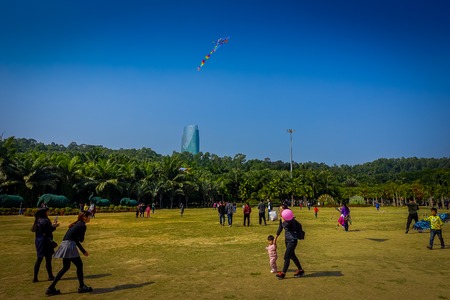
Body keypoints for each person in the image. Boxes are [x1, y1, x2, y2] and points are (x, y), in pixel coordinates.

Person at [45, 211, 93, 296]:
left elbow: (75, 239)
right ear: (84, 217)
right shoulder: (82, 225)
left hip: (65, 244)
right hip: (69, 246)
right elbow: (80, 240)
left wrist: (83, 251)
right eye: (89, 216)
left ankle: (50, 288)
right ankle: (82, 286)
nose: (90, 218)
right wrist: (83, 250)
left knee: (66, 267)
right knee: (79, 265)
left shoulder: (77, 224)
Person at [275, 204, 304, 279]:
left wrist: (283, 220)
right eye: (279, 210)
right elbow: (280, 227)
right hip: (287, 239)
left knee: (286, 256)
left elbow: (285, 226)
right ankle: (300, 270)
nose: (280, 211)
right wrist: (276, 238)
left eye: (281, 210)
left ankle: (283, 273)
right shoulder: (282, 218)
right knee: (292, 255)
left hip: (292, 240)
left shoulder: (290, 219)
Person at [32, 207, 59, 283]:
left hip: (39, 241)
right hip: (46, 241)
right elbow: (48, 231)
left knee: (39, 259)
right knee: (48, 260)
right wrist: (54, 226)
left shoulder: (38, 220)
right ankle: (50, 275)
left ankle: (35, 277)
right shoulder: (45, 220)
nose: (49, 212)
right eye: (48, 211)